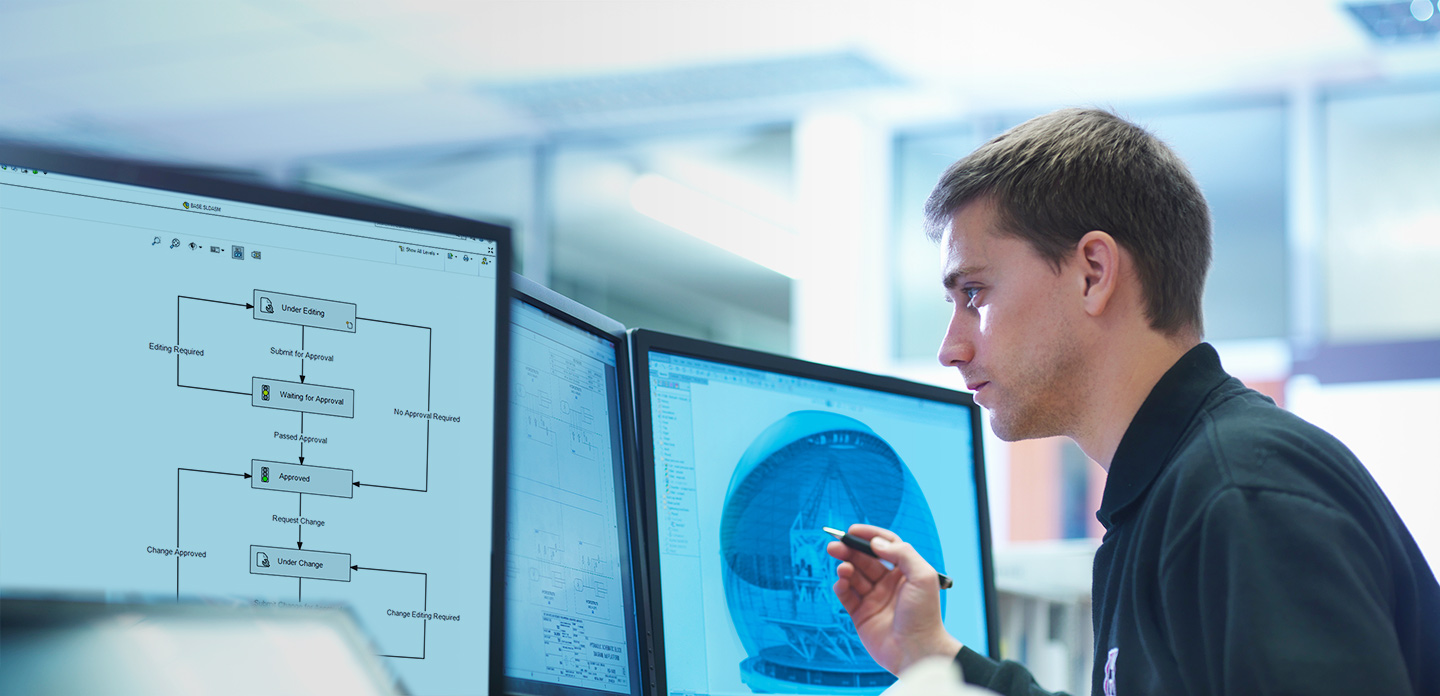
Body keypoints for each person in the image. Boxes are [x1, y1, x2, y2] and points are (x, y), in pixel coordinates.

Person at [826, 108, 1440, 695]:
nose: (950, 348)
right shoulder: (1170, 497)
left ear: (1093, 272)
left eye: (975, 293)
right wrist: (932, 655)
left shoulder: (1239, 494)